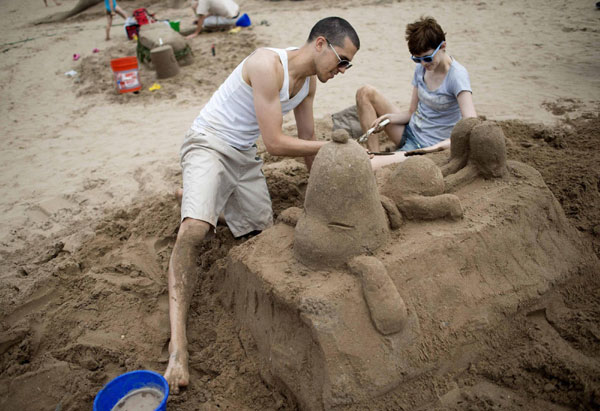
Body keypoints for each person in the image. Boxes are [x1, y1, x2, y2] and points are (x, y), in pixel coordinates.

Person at [163, 17, 360, 394]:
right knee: (195, 232)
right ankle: (178, 348)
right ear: (320, 44)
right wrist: (337, 146)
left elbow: (306, 141)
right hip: (209, 143)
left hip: (243, 158)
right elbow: (276, 143)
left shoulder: (309, 86)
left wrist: (322, 195)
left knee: (260, 236)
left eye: (348, 64)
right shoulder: (266, 65)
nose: (343, 70)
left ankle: (198, 196)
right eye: (342, 60)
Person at [355, 16, 476, 170]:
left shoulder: (456, 76)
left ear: (443, 46)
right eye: (417, 59)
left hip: (428, 147)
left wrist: (436, 148)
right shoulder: (422, 68)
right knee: (364, 92)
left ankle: (375, 163)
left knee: (368, 165)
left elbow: (471, 126)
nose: (423, 63)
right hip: (410, 131)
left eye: (427, 57)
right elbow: (412, 112)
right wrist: (389, 118)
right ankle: (374, 153)